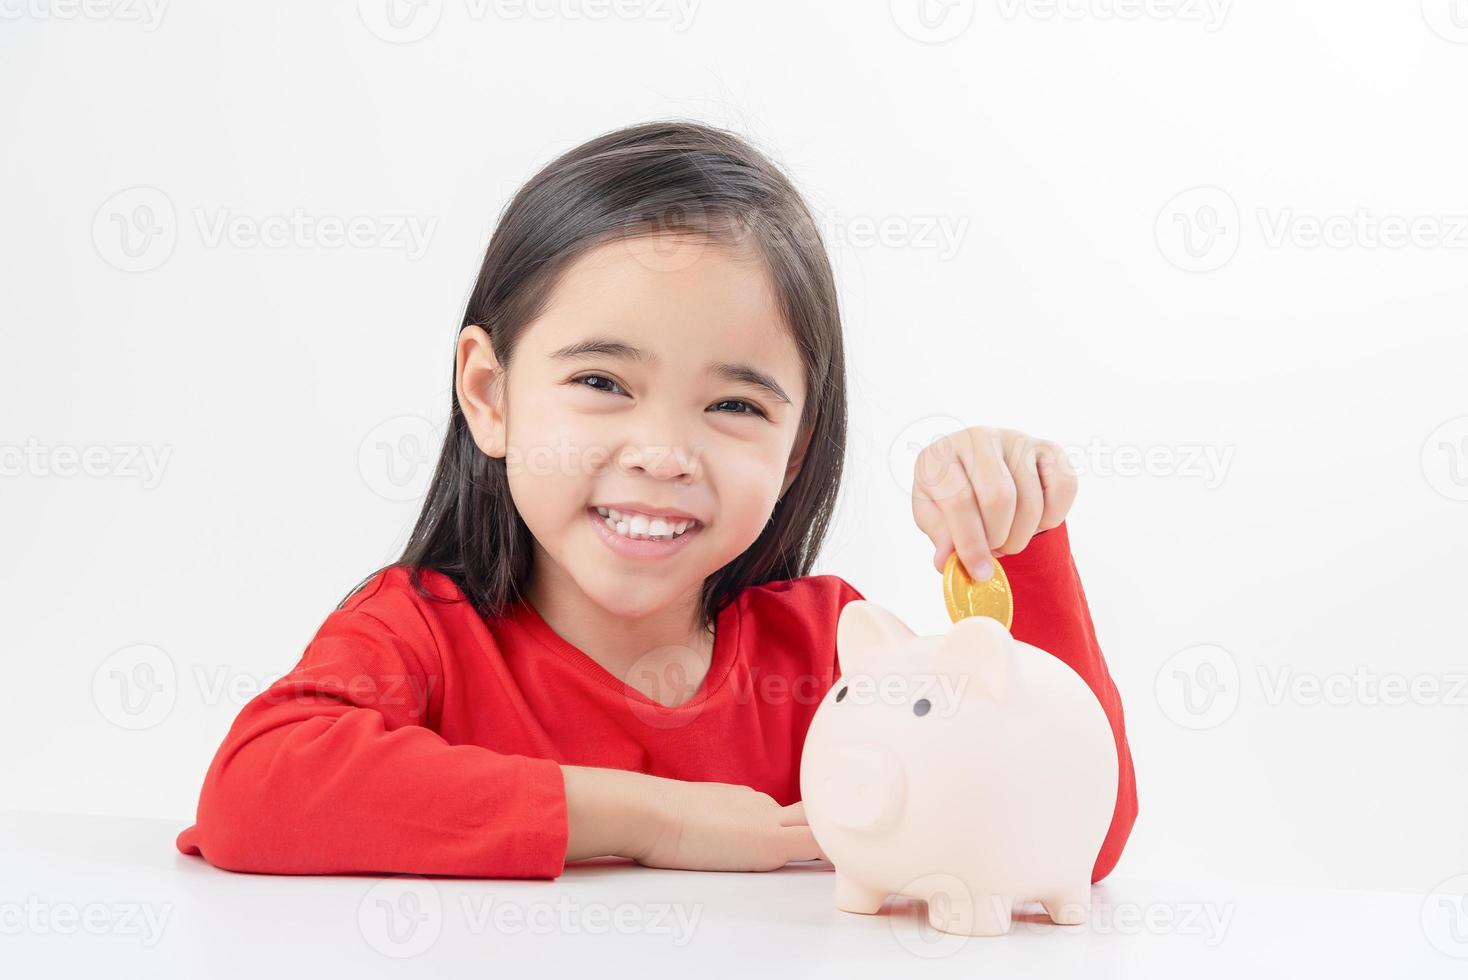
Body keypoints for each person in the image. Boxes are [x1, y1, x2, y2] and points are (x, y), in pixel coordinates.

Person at [176, 120, 1137, 881]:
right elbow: (254, 789)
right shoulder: (421, 633)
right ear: (490, 394)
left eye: (733, 404)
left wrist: (1021, 540)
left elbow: (1069, 837)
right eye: (602, 382)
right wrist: (656, 820)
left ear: (796, 451)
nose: (666, 453)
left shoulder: (823, 656)